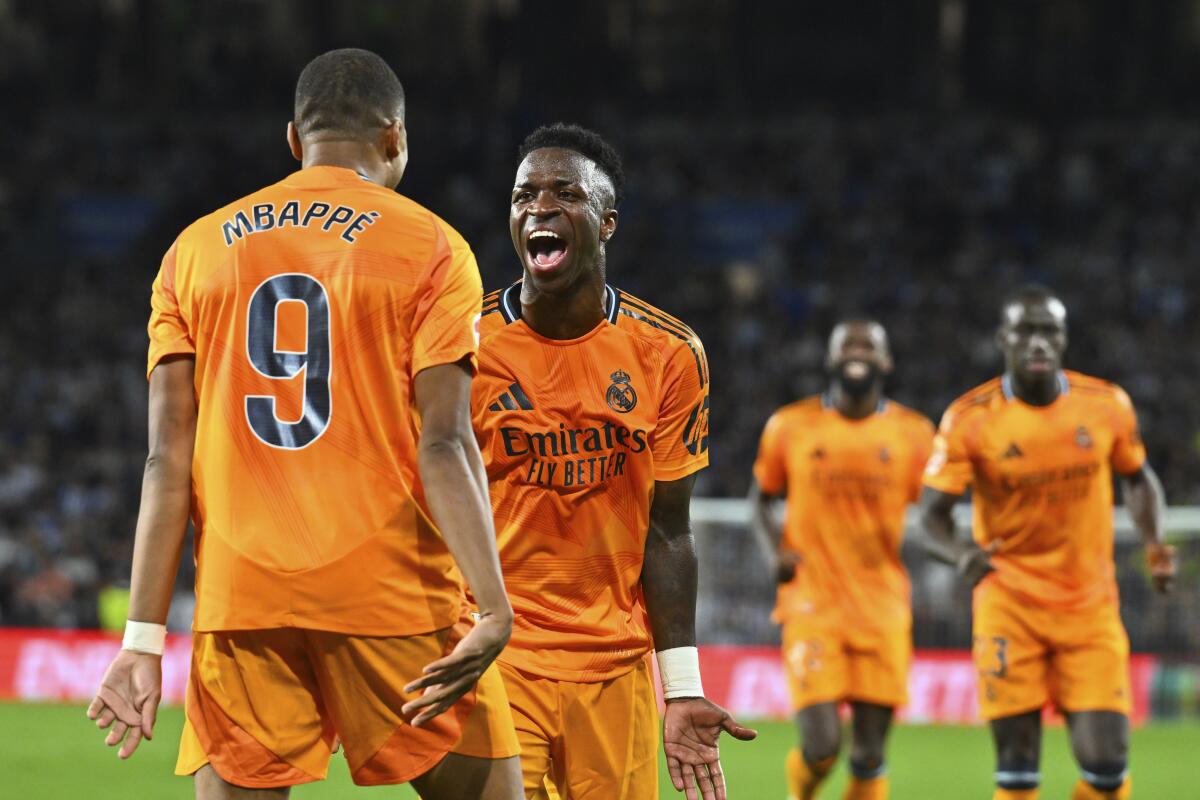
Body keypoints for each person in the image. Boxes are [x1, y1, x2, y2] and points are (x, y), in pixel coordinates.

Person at [85, 48, 522, 799]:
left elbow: (166, 462)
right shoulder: (433, 248)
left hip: (241, 600)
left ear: (294, 140)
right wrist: (493, 603)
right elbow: (445, 442)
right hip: (391, 594)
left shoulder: (192, 251)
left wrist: (142, 640)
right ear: (395, 139)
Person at [473, 123, 756, 800]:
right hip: (497, 661)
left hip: (614, 668)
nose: (539, 207)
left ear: (606, 223)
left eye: (564, 192)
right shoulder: (463, 344)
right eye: (524, 195)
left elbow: (669, 531)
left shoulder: (669, 353)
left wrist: (681, 687)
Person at [919, 285, 1177, 800]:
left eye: (1049, 331)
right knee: (1017, 767)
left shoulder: (1106, 405)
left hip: (1089, 606)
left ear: (1063, 340)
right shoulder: (970, 419)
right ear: (1003, 340)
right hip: (1009, 602)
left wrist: (1154, 544)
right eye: (1026, 331)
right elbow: (931, 518)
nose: (1038, 342)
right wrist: (961, 553)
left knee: (1107, 765)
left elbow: (1137, 477)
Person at [749, 320, 934, 800]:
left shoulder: (914, 435)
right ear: (830, 360)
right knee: (823, 744)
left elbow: (937, 512)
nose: (858, 352)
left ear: (886, 361)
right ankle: (802, 793)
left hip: (883, 608)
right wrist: (775, 552)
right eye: (847, 346)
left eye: (869, 345)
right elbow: (762, 496)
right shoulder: (790, 426)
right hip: (812, 605)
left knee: (869, 755)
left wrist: (960, 550)